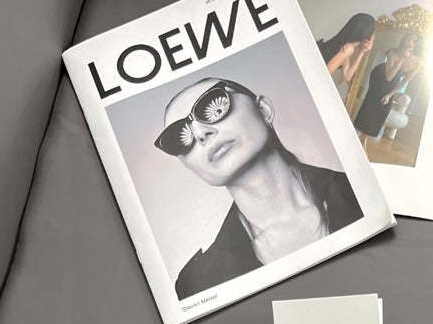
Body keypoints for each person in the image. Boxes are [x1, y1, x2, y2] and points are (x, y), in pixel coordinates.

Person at [154, 77, 363, 300]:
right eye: (178, 137)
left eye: (213, 105)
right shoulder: (198, 284)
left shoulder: (363, 192)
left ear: (263, 110)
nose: (200, 133)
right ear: (187, 165)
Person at [352, 31, 425, 147]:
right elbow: (388, 76)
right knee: (371, 105)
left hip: (394, 81)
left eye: (413, 41)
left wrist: (390, 95)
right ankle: (359, 135)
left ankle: (364, 138)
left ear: (418, 44)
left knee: (383, 109)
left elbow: (405, 80)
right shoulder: (393, 52)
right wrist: (401, 59)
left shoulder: (419, 61)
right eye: (408, 39)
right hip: (380, 76)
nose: (410, 42)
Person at [317, 13, 377, 93]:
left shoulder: (347, 45)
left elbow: (347, 76)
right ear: (366, 35)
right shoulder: (348, 48)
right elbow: (325, 73)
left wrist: (362, 52)